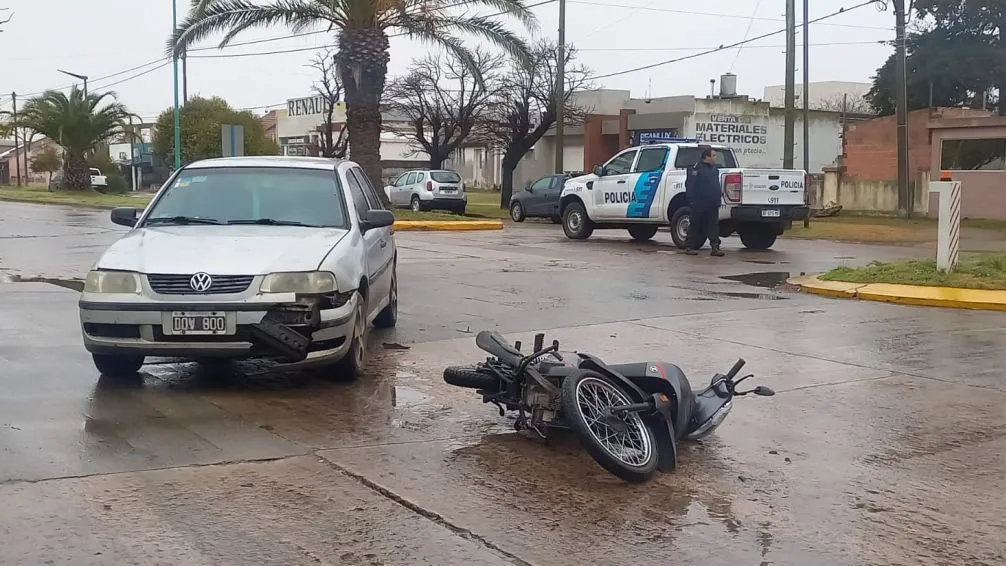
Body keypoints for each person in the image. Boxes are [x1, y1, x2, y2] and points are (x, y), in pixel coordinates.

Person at [683, 147, 724, 257]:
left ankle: (715, 248)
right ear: (707, 157)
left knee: (713, 225)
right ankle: (690, 247)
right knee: (695, 224)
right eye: (714, 155)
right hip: (699, 202)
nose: (715, 158)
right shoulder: (696, 168)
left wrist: (718, 199)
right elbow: (690, 184)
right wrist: (691, 200)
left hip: (712, 202)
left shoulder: (714, 169)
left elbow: (716, 185)